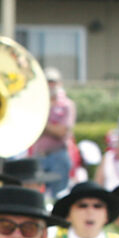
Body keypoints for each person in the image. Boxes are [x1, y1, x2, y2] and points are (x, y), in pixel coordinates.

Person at [32, 67, 76, 197]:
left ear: (59, 83)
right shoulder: (35, 103)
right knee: (36, 196)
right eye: (48, 82)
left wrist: (42, 125)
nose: (50, 85)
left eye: (53, 82)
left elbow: (61, 132)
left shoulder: (67, 105)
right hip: (39, 155)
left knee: (59, 196)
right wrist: (51, 127)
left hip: (58, 155)